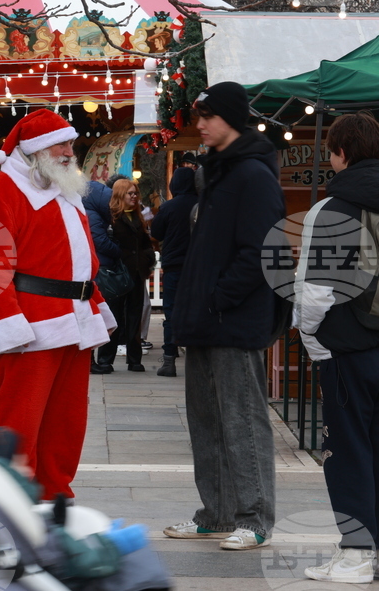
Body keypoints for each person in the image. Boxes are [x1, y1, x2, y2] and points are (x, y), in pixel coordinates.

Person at [298, 113, 379, 584]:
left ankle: (354, 554)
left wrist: (311, 339)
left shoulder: (332, 209)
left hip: (345, 350)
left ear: (341, 153)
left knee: (347, 451)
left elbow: (316, 291)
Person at [165, 81, 285, 550]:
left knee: (242, 421)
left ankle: (255, 519)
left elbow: (260, 250)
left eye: (207, 116)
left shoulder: (252, 175)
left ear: (230, 118)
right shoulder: (217, 173)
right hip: (205, 319)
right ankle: (214, 513)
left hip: (232, 320)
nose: (200, 125)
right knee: (207, 422)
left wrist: (218, 297)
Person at [0, 109, 116, 500]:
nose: (71, 151)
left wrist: (96, 306)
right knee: (21, 424)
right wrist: (7, 323)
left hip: (75, 321)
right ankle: (13, 501)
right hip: (31, 325)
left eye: (71, 142)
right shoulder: (2, 190)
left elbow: (80, 260)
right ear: (35, 150)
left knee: (66, 422)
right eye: (62, 144)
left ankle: (55, 496)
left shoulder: (65, 189)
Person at [149, 166, 198, 376]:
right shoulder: (203, 204)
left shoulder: (169, 207)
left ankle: (169, 361)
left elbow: (156, 232)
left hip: (174, 268)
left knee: (171, 313)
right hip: (198, 268)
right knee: (197, 312)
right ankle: (197, 361)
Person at [109, 179, 156, 372]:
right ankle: (106, 360)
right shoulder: (112, 217)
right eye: (130, 193)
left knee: (135, 316)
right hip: (119, 273)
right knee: (115, 316)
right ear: (120, 195)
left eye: (136, 193)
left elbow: (146, 242)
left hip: (137, 272)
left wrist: (148, 259)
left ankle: (134, 359)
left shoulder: (138, 217)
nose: (134, 196)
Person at [83, 180, 122, 374]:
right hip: (97, 270)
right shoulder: (94, 216)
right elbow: (99, 241)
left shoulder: (91, 212)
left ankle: (91, 360)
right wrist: (119, 250)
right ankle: (90, 360)